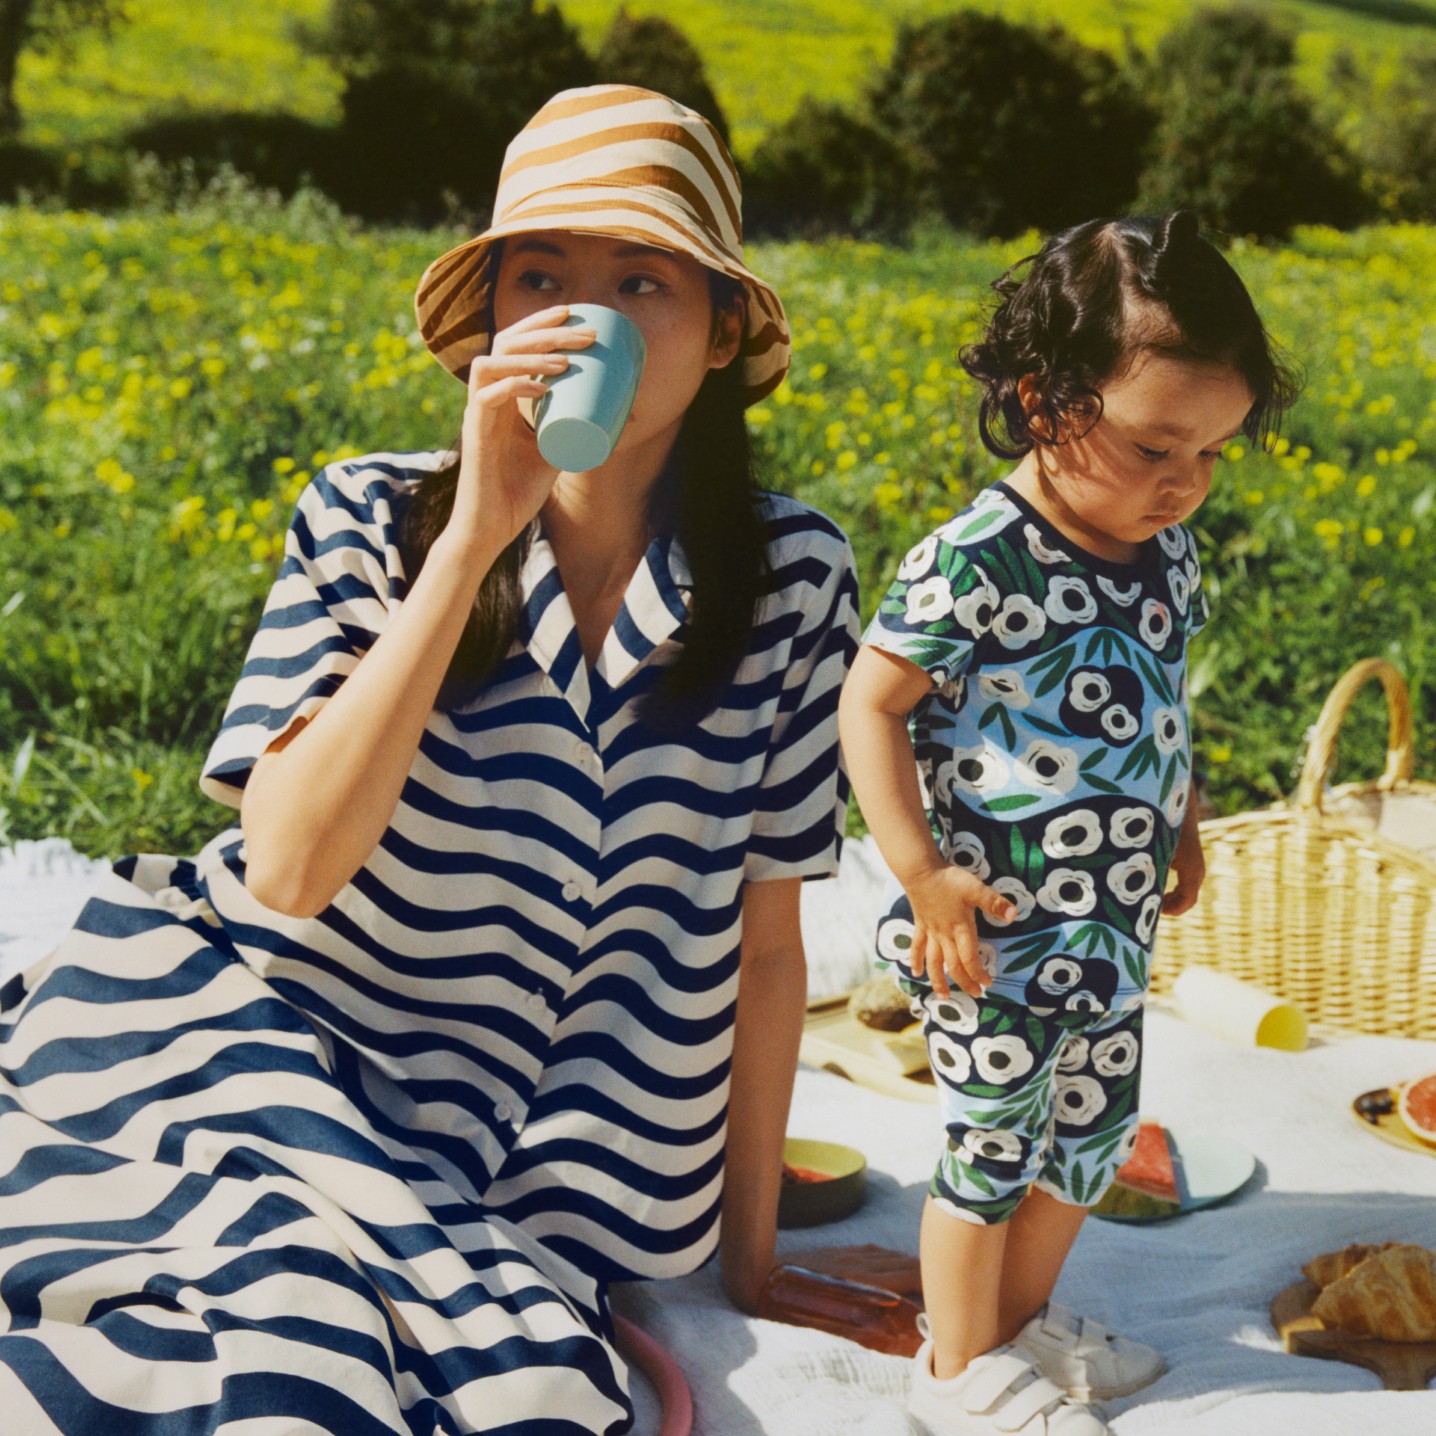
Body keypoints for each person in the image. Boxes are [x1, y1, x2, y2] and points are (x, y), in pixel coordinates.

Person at [0, 86, 858, 1434]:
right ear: (495, 320)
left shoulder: (793, 578)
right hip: (270, 1036)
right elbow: (285, 870)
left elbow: (764, 946)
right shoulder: (367, 516)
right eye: (544, 278)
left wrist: (746, 1261)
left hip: (557, 1175)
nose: (589, 318)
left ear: (722, 327)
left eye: (643, 279)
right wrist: (470, 549)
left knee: (521, 1389)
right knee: (264, 1324)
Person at [837, 212, 1299, 1436]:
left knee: (1083, 1147)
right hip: (990, 933)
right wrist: (921, 873)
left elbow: (1159, 704)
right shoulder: (979, 556)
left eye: (1210, 451)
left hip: (1108, 930)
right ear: (1046, 405)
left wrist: (1182, 821)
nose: (1184, 480)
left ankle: (1007, 1329)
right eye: (1155, 444)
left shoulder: (1166, 555)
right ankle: (951, 1368)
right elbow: (868, 705)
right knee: (990, 1151)